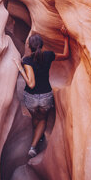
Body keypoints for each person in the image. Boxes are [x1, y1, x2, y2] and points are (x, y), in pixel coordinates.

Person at [13, 25, 69, 157]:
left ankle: (35, 140)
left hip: (31, 98)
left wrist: (19, 67)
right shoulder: (48, 55)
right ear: (42, 45)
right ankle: (34, 145)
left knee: (36, 118)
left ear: (29, 47)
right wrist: (65, 37)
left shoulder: (27, 60)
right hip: (45, 96)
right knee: (43, 119)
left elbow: (31, 84)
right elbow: (66, 55)